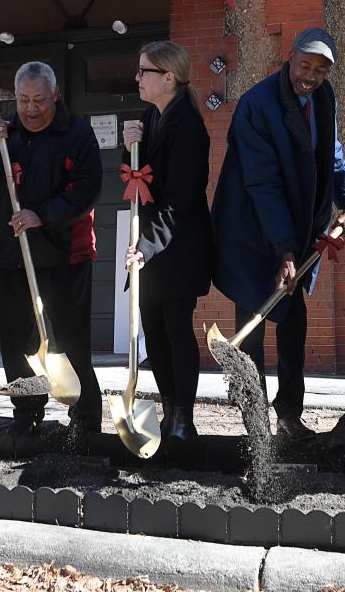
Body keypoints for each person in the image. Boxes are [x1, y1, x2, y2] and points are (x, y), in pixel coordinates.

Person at [212, 27, 345, 440]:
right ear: (289, 58)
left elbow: (332, 152)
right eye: (305, 65)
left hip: (294, 230)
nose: (310, 76)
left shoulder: (324, 98)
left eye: (321, 69)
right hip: (253, 232)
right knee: (251, 336)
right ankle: (255, 428)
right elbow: (263, 182)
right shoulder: (256, 106)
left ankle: (290, 418)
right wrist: (284, 252)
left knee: (293, 325)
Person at [0, 61, 103, 441]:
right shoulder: (5, 133)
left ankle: (85, 418)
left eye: (39, 100)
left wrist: (41, 215)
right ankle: (27, 412)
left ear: (55, 95)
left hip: (66, 255)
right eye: (24, 100)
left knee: (71, 339)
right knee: (17, 340)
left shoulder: (77, 134)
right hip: (14, 254)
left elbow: (86, 190)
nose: (30, 108)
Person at [121, 41, 213, 441]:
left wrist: (146, 247)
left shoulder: (188, 126)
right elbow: (136, 182)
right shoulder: (149, 118)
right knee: (154, 336)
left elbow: (180, 200)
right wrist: (128, 150)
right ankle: (169, 408)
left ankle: (184, 420)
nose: (137, 78)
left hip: (178, 247)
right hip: (153, 250)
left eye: (145, 71)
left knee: (176, 329)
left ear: (169, 78)